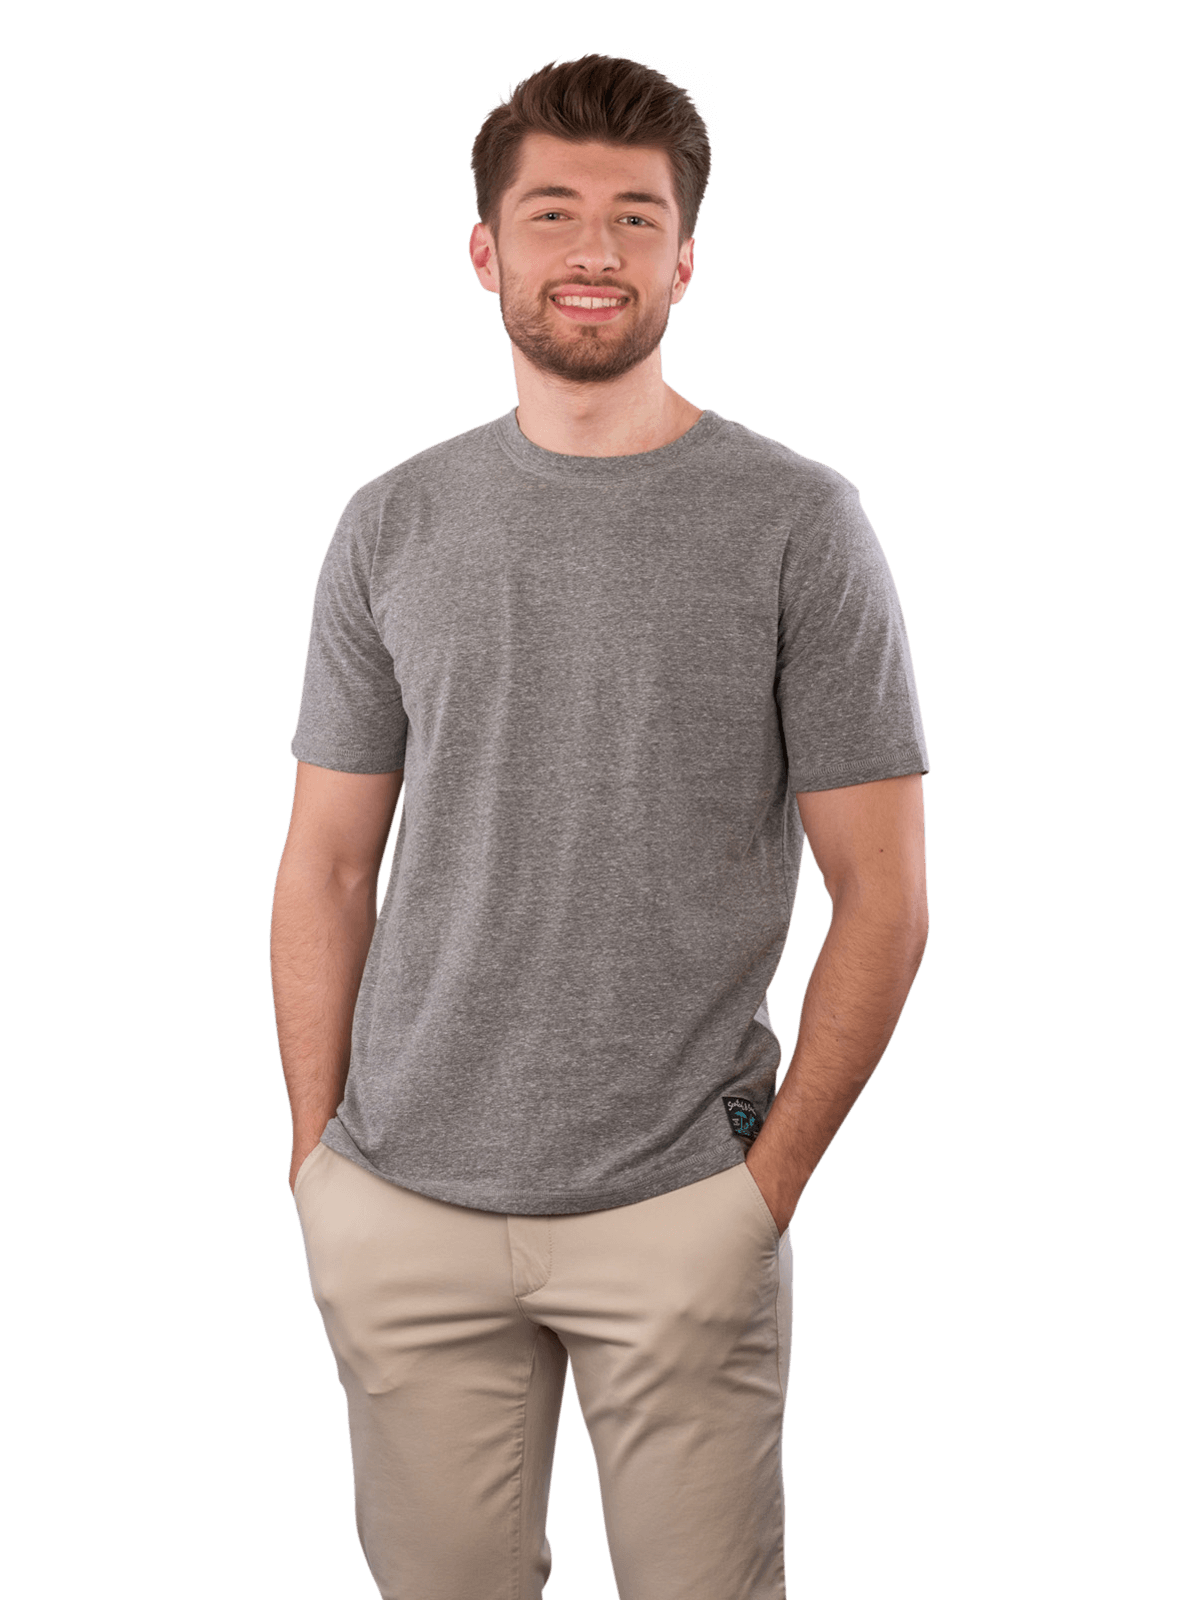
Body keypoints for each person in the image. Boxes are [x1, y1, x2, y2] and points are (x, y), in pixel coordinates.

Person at [270, 52, 930, 1600]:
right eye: (553, 212)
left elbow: (885, 894)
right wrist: (316, 1164)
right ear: (485, 252)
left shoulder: (800, 520)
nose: (594, 250)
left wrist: (764, 1193)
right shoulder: (390, 521)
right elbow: (329, 862)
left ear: (685, 260)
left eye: (636, 218)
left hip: (681, 1208)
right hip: (402, 1205)